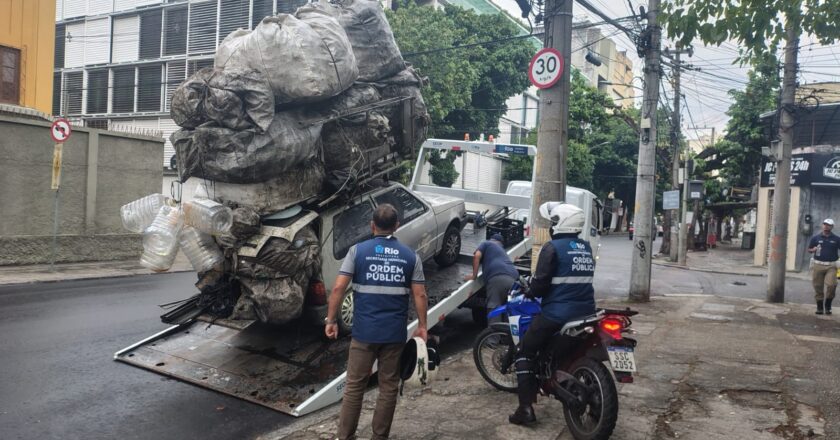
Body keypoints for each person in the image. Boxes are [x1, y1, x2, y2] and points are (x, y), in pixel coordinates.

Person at [325, 203, 428, 440]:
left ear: (372, 226)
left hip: (363, 332)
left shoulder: (357, 251)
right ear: (397, 226)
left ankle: (345, 436)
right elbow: (420, 294)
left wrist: (331, 320)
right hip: (393, 334)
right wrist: (422, 326)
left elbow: (339, 287)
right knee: (388, 387)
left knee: (354, 387)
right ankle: (379, 437)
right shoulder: (410, 256)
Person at [509, 202, 597, 425]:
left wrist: (530, 290)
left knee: (525, 352)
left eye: (553, 221)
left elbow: (540, 285)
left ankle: (525, 409)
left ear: (560, 224)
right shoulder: (585, 247)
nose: (551, 226)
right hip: (587, 312)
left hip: (558, 314)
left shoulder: (552, 248)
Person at [464, 233, 519, 323]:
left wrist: (474, 276)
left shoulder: (487, 243)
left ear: (492, 240)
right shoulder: (502, 251)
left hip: (497, 277)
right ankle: (506, 334)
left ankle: (494, 336)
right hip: (513, 278)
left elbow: (477, 256)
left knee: (494, 309)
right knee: (507, 310)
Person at [807, 218, 839, 315]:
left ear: (832, 227)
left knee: (831, 285)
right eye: (824, 224)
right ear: (822, 225)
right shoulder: (816, 238)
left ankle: (828, 305)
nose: (826, 226)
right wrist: (813, 250)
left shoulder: (837, 239)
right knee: (817, 286)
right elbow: (809, 249)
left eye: (828, 225)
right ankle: (820, 307)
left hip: (831, 266)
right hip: (818, 265)